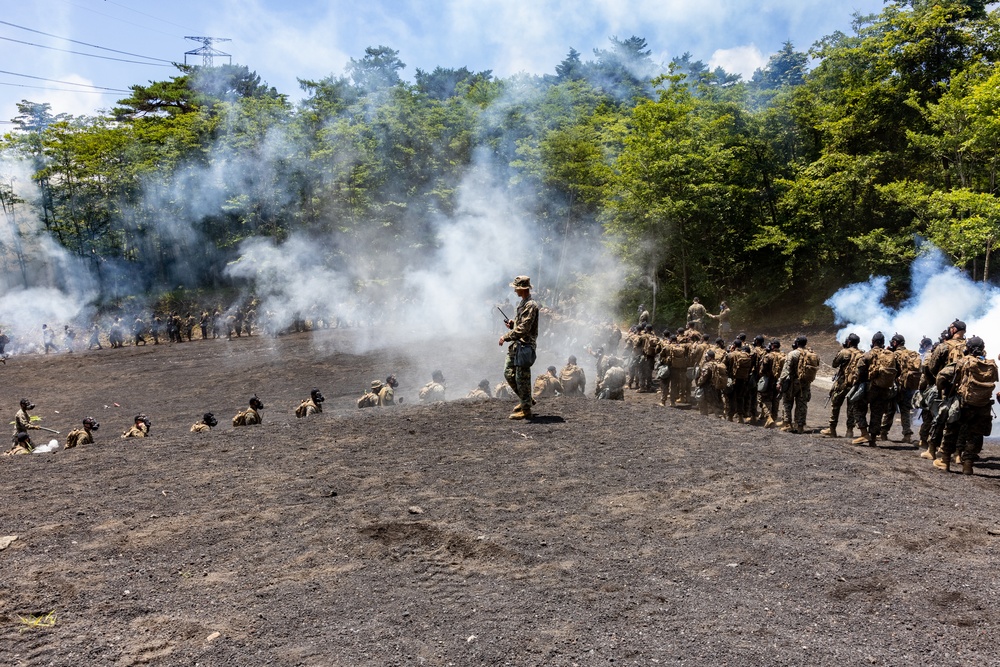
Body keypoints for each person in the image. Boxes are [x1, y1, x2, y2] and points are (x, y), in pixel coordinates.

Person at [933, 336, 997, 474]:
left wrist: (945, 388)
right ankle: (968, 465)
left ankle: (944, 461)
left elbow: (941, 377)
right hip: (983, 406)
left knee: (952, 430)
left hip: (964, 404)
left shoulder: (963, 361)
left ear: (968, 348)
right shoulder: (991, 365)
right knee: (975, 435)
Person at [500, 275, 540, 419]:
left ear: (521, 288)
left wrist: (506, 336)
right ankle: (526, 399)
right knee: (508, 372)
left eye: (516, 287)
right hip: (517, 345)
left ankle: (526, 409)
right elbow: (520, 324)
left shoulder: (531, 305)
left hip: (525, 346)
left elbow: (524, 328)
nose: (514, 290)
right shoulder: (523, 303)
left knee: (521, 377)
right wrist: (512, 324)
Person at [851, 332, 899, 447]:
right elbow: (898, 372)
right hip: (884, 389)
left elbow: (860, 371)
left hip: (870, 388)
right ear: (883, 343)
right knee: (877, 412)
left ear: (872, 342)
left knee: (857, 406)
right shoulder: (890, 355)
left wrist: (859, 384)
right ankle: (873, 439)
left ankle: (864, 433)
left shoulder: (868, 355)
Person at [820, 333, 863, 438]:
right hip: (854, 385)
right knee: (851, 408)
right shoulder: (861, 354)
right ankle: (849, 431)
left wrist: (843, 350)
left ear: (849, 342)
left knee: (835, 405)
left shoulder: (844, 352)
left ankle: (832, 429)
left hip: (842, 384)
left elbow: (834, 364)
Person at [778, 336, 818, 434]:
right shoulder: (811, 354)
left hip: (792, 382)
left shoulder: (793, 354)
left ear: (796, 343)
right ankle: (800, 426)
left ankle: (788, 425)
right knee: (802, 404)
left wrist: (780, 381)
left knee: (787, 402)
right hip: (805, 383)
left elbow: (786, 369)